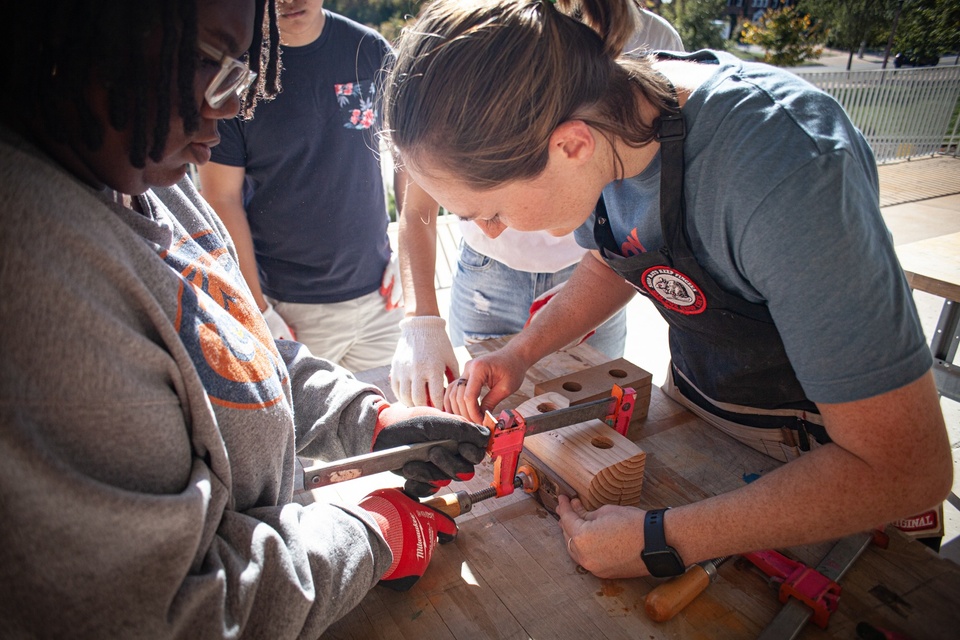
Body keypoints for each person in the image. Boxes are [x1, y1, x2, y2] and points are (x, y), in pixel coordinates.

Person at [382, 0, 953, 579]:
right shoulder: (604, 119)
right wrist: (521, 352)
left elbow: (905, 468)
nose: (491, 232)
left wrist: (663, 537)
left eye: (491, 210)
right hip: (704, 408)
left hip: (828, 469)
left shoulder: (787, 173)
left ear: (569, 146)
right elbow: (619, 259)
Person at [0, 1, 491, 636]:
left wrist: (363, 418)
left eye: (242, 66)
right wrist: (373, 532)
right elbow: (177, 609)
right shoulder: (36, 282)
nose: (235, 106)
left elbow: (224, 347)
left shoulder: (146, 173)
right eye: (209, 61)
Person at [391, 0, 683, 408]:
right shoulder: (473, 37)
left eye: (491, 212)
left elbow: (616, 248)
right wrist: (420, 319)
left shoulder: (654, 46)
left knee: (592, 407)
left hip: (600, 271)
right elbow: (417, 206)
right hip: (491, 276)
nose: (489, 227)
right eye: (470, 216)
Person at [198, 0, 421, 372]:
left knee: (393, 421)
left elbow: (410, 151)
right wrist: (257, 307)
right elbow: (221, 196)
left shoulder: (368, 49)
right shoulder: (238, 72)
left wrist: (406, 249)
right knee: (312, 429)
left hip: (383, 295)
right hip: (292, 311)